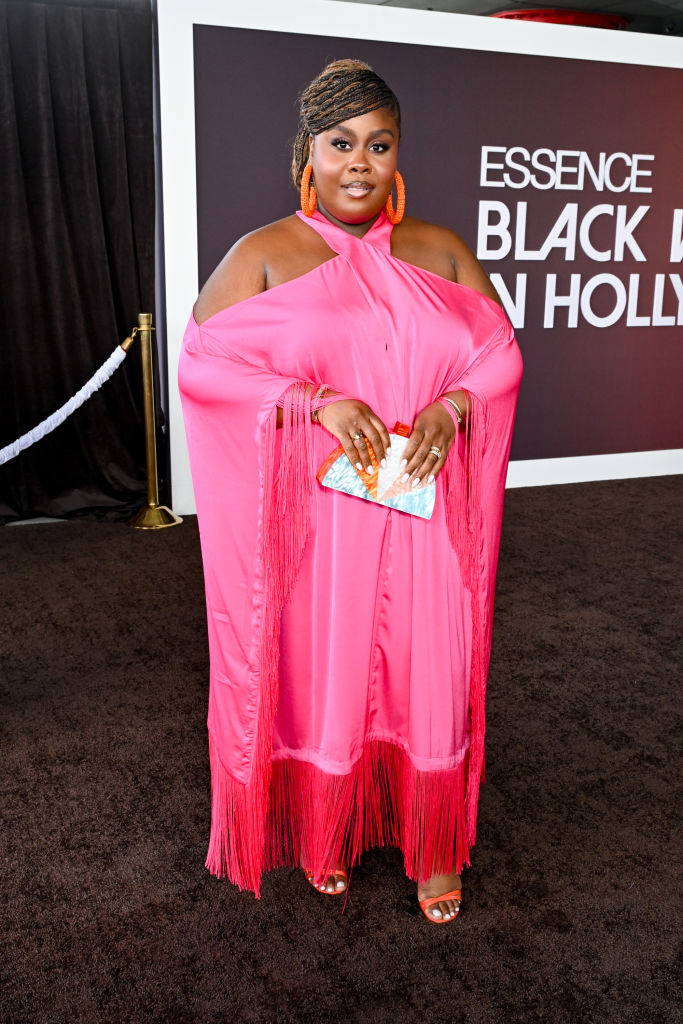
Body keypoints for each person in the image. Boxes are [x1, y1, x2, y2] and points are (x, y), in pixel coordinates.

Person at [179, 59, 522, 924]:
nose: (359, 163)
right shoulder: (261, 254)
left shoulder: (440, 249)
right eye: (340, 144)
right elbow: (205, 368)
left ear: (398, 151)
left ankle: (435, 846)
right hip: (324, 516)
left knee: (429, 670)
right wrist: (313, 403)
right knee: (325, 670)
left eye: (378, 142)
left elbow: (500, 358)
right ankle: (326, 830)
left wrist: (453, 407)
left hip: (424, 508)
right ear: (308, 152)